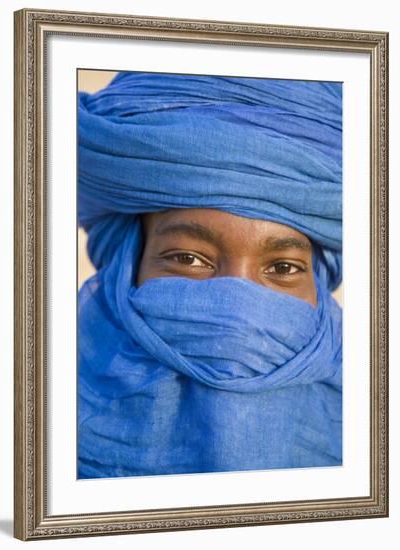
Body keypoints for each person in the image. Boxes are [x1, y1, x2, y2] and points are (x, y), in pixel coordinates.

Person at [77, 72, 342, 479]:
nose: (237, 314)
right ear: (125, 266)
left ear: (320, 284)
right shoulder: (22, 427)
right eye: (187, 258)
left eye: (283, 268)